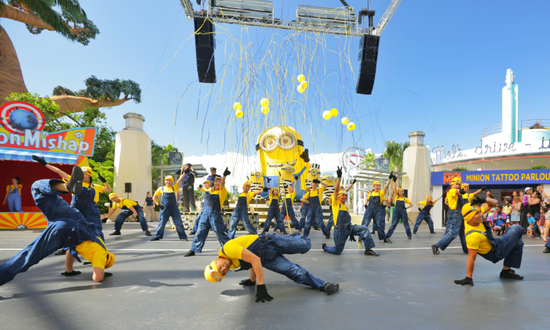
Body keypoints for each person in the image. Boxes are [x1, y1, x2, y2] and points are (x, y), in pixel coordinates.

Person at [0, 168, 115, 286]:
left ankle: (65, 187)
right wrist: (99, 269)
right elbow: (98, 277)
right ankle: (67, 187)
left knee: (37, 187)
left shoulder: (100, 245)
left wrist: (45, 164)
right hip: (69, 229)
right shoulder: (100, 255)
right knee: (28, 255)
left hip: (72, 216)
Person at [204, 233, 339, 302]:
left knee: (306, 245)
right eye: (223, 272)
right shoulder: (232, 264)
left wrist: (261, 286)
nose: (224, 268)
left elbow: (254, 260)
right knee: (294, 272)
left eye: (220, 268)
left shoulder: (227, 249)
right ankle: (323, 285)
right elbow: (251, 263)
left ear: (215, 262)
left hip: (269, 243)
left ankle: (295, 236)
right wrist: (252, 280)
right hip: (268, 259)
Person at [33, 156, 111, 241]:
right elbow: (59, 171)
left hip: (92, 210)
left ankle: (99, 247)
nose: (81, 176)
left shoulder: (95, 186)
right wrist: (45, 164)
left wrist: (104, 181)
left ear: (89, 175)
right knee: (71, 228)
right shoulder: (74, 181)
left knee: (96, 229)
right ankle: (67, 249)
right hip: (77, 207)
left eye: (83, 174)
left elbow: (108, 189)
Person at [454, 195, 525, 286]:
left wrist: (483, 199)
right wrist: (469, 277)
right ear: (469, 217)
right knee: (517, 228)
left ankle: (506, 271)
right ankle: (518, 235)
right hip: (495, 252)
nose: (480, 215)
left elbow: (495, 203)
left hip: (495, 243)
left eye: (480, 212)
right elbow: (471, 257)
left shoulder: (469, 218)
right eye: (477, 213)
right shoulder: (473, 236)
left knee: (518, 243)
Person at [322, 167, 378, 256]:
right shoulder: (336, 203)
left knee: (364, 229)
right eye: (343, 195)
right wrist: (339, 177)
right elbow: (336, 190)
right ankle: (325, 247)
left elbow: (347, 220)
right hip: (340, 230)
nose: (345, 196)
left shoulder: (345, 207)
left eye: (346, 195)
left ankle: (368, 249)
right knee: (337, 251)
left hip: (349, 227)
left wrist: (351, 233)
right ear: (338, 197)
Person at [183, 168, 232, 257]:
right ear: (213, 183)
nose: (218, 183)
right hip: (205, 214)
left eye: (219, 181)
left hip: (215, 215)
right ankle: (193, 249)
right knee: (200, 232)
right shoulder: (209, 191)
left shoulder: (222, 192)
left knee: (219, 232)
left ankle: (230, 248)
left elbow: (222, 184)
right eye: (216, 181)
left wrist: (224, 176)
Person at [431, 177, 468, 255]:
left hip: (458, 214)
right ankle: (437, 245)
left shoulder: (451, 192)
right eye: (456, 184)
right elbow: (458, 191)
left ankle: (466, 249)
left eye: (459, 185)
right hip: (456, 214)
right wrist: (461, 190)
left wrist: (448, 202)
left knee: (462, 233)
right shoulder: (452, 190)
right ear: (452, 184)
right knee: (453, 232)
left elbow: (446, 201)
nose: (458, 186)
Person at [151, 170, 188, 241]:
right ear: (165, 181)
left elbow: (180, 179)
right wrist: (158, 205)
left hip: (174, 208)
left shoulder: (174, 187)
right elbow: (154, 197)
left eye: (170, 180)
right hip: (165, 208)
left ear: (172, 181)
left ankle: (183, 237)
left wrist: (184, 173)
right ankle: (157, 236)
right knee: (161, 223)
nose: (168, 181)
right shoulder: (161, 188)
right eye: (167, 180)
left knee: (178, 223)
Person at [361, 173, 394, 243]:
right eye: (377, 186)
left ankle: (384, 238)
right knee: (365, 223)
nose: (378, 187)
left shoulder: (381, 193)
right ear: (373, 186)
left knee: (380, 225)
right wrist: (365, 205)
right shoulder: (370, 193)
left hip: (378, 211)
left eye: (379, 186)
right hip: (369, 210)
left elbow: (386, 187)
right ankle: (361, 237)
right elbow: (367, 200)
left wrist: (389, 179)